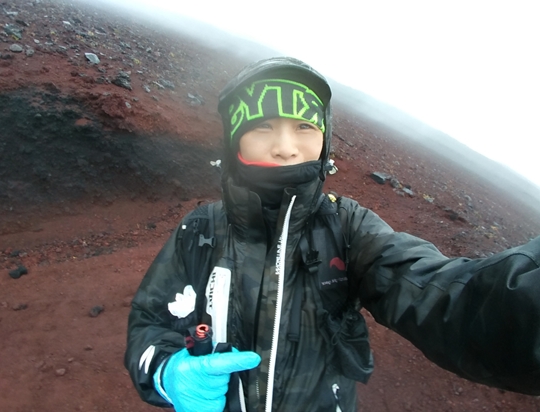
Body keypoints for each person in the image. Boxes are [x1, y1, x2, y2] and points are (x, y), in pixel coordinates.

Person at [124, 56, 540, 412]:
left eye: (304, 127)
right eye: (264, 127)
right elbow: (149, 321)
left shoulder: (348, 227)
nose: (286, 147)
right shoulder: (199, 230)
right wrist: (165, 371)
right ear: (234, 139)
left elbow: (443, 297)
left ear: (324, 139)